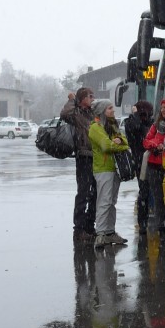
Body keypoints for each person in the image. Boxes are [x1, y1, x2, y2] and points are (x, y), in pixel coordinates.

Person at [88, 99, 130, 248]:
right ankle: (100, 234)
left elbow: (125, 140)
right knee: (104, 201)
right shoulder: (95, 127)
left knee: (112, 202)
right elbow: (106, 146)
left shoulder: (112, 125)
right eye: (110, 108)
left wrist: (119, 142)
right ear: (102, 111)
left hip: (115, 169)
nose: (113, 110)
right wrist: (118, 144)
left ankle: (110, 232)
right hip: (103, 169)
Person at [60, 87, 97, 244]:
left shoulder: (92, 113)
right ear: (82, 99)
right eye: (90, 96)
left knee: (95, 193)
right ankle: (79, 229)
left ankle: (90, 226)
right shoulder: (76, 114)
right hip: (83, 157)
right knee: (83, 192)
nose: (92, 99)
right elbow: (64, 114)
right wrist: (71, 100)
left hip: (96, 157)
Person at [142, 98, 165, 241]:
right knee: (158, 198)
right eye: (162, 107)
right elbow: (146, 141)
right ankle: (163, 229)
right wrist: (156, 145)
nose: (163, 110)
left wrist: (160, 144)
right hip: (154, 165)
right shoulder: (155, 125)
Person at [124, 100, 153, 228]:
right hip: (140, 162)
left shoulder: (149, 122)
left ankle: (146, 220)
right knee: (144, 191)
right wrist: (135, 115)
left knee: (150, 191)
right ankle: (142, 223)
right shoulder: (131, 122)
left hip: (152, 161)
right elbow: (135, 128)